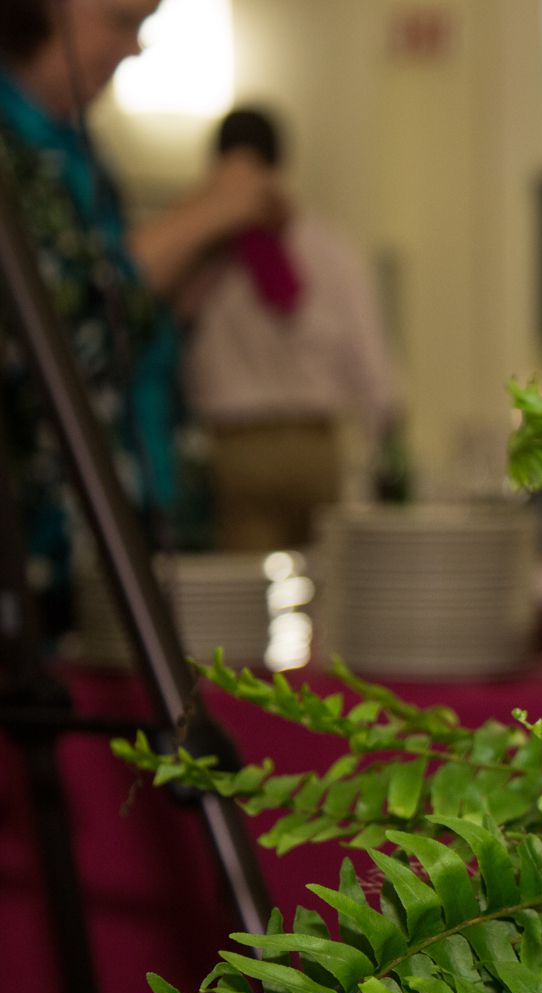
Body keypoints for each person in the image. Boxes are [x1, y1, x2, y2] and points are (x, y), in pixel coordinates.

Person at [0, 0, 281, 631]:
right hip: (33, 560)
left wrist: (195, 267)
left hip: (109, 545)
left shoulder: (73, 150)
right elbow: (51, 329)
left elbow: (118, 337)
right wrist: (208, 212)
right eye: (123, 21)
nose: (135, 48)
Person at [183, 106, 398, 550]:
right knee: (318, 587)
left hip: (239, 445)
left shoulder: (201, 254)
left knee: (253, 589)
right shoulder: (330, 249)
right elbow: (369, 358)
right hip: (313, 441)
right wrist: (380, 440)